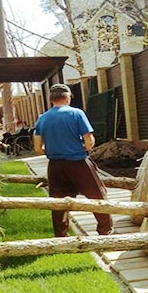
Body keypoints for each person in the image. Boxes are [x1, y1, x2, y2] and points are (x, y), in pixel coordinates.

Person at [33, 83, 113, 237]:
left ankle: (61, 236)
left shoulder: (42, 118)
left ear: (51, 99)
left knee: (58, 202)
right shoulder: (77, 113)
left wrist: (54, 151)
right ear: (68, 97)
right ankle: (105, 231)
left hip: (55, 166)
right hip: (78, 163)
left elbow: (37, 147)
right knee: (97, 195)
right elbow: (88, 140)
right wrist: (83, 148)